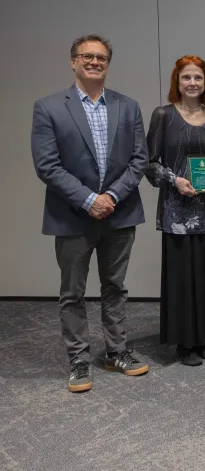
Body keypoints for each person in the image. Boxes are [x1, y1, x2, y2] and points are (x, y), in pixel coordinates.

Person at [31, 34, 150, 392]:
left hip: (119, 212)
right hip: (72, 216)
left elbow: (139, 160)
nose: (94, 62)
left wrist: (111, 195)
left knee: (115, 287)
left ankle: (116, 351)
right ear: (73, 61)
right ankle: (79, 360)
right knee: (73, 292)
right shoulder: (49, 107)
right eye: (87, 56)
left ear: (108, 64)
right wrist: (88, 199)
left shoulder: (128, 107)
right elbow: (47, 166)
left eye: (101, 57)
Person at [145, 56, 205, 366]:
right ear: (177, 82)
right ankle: (185, 342)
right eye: (186, 78)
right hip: (178, 212)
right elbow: (150, 163)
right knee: (183, 277)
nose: (193, 83)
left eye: (198, 77)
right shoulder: (163, 116)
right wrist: (174, 180)